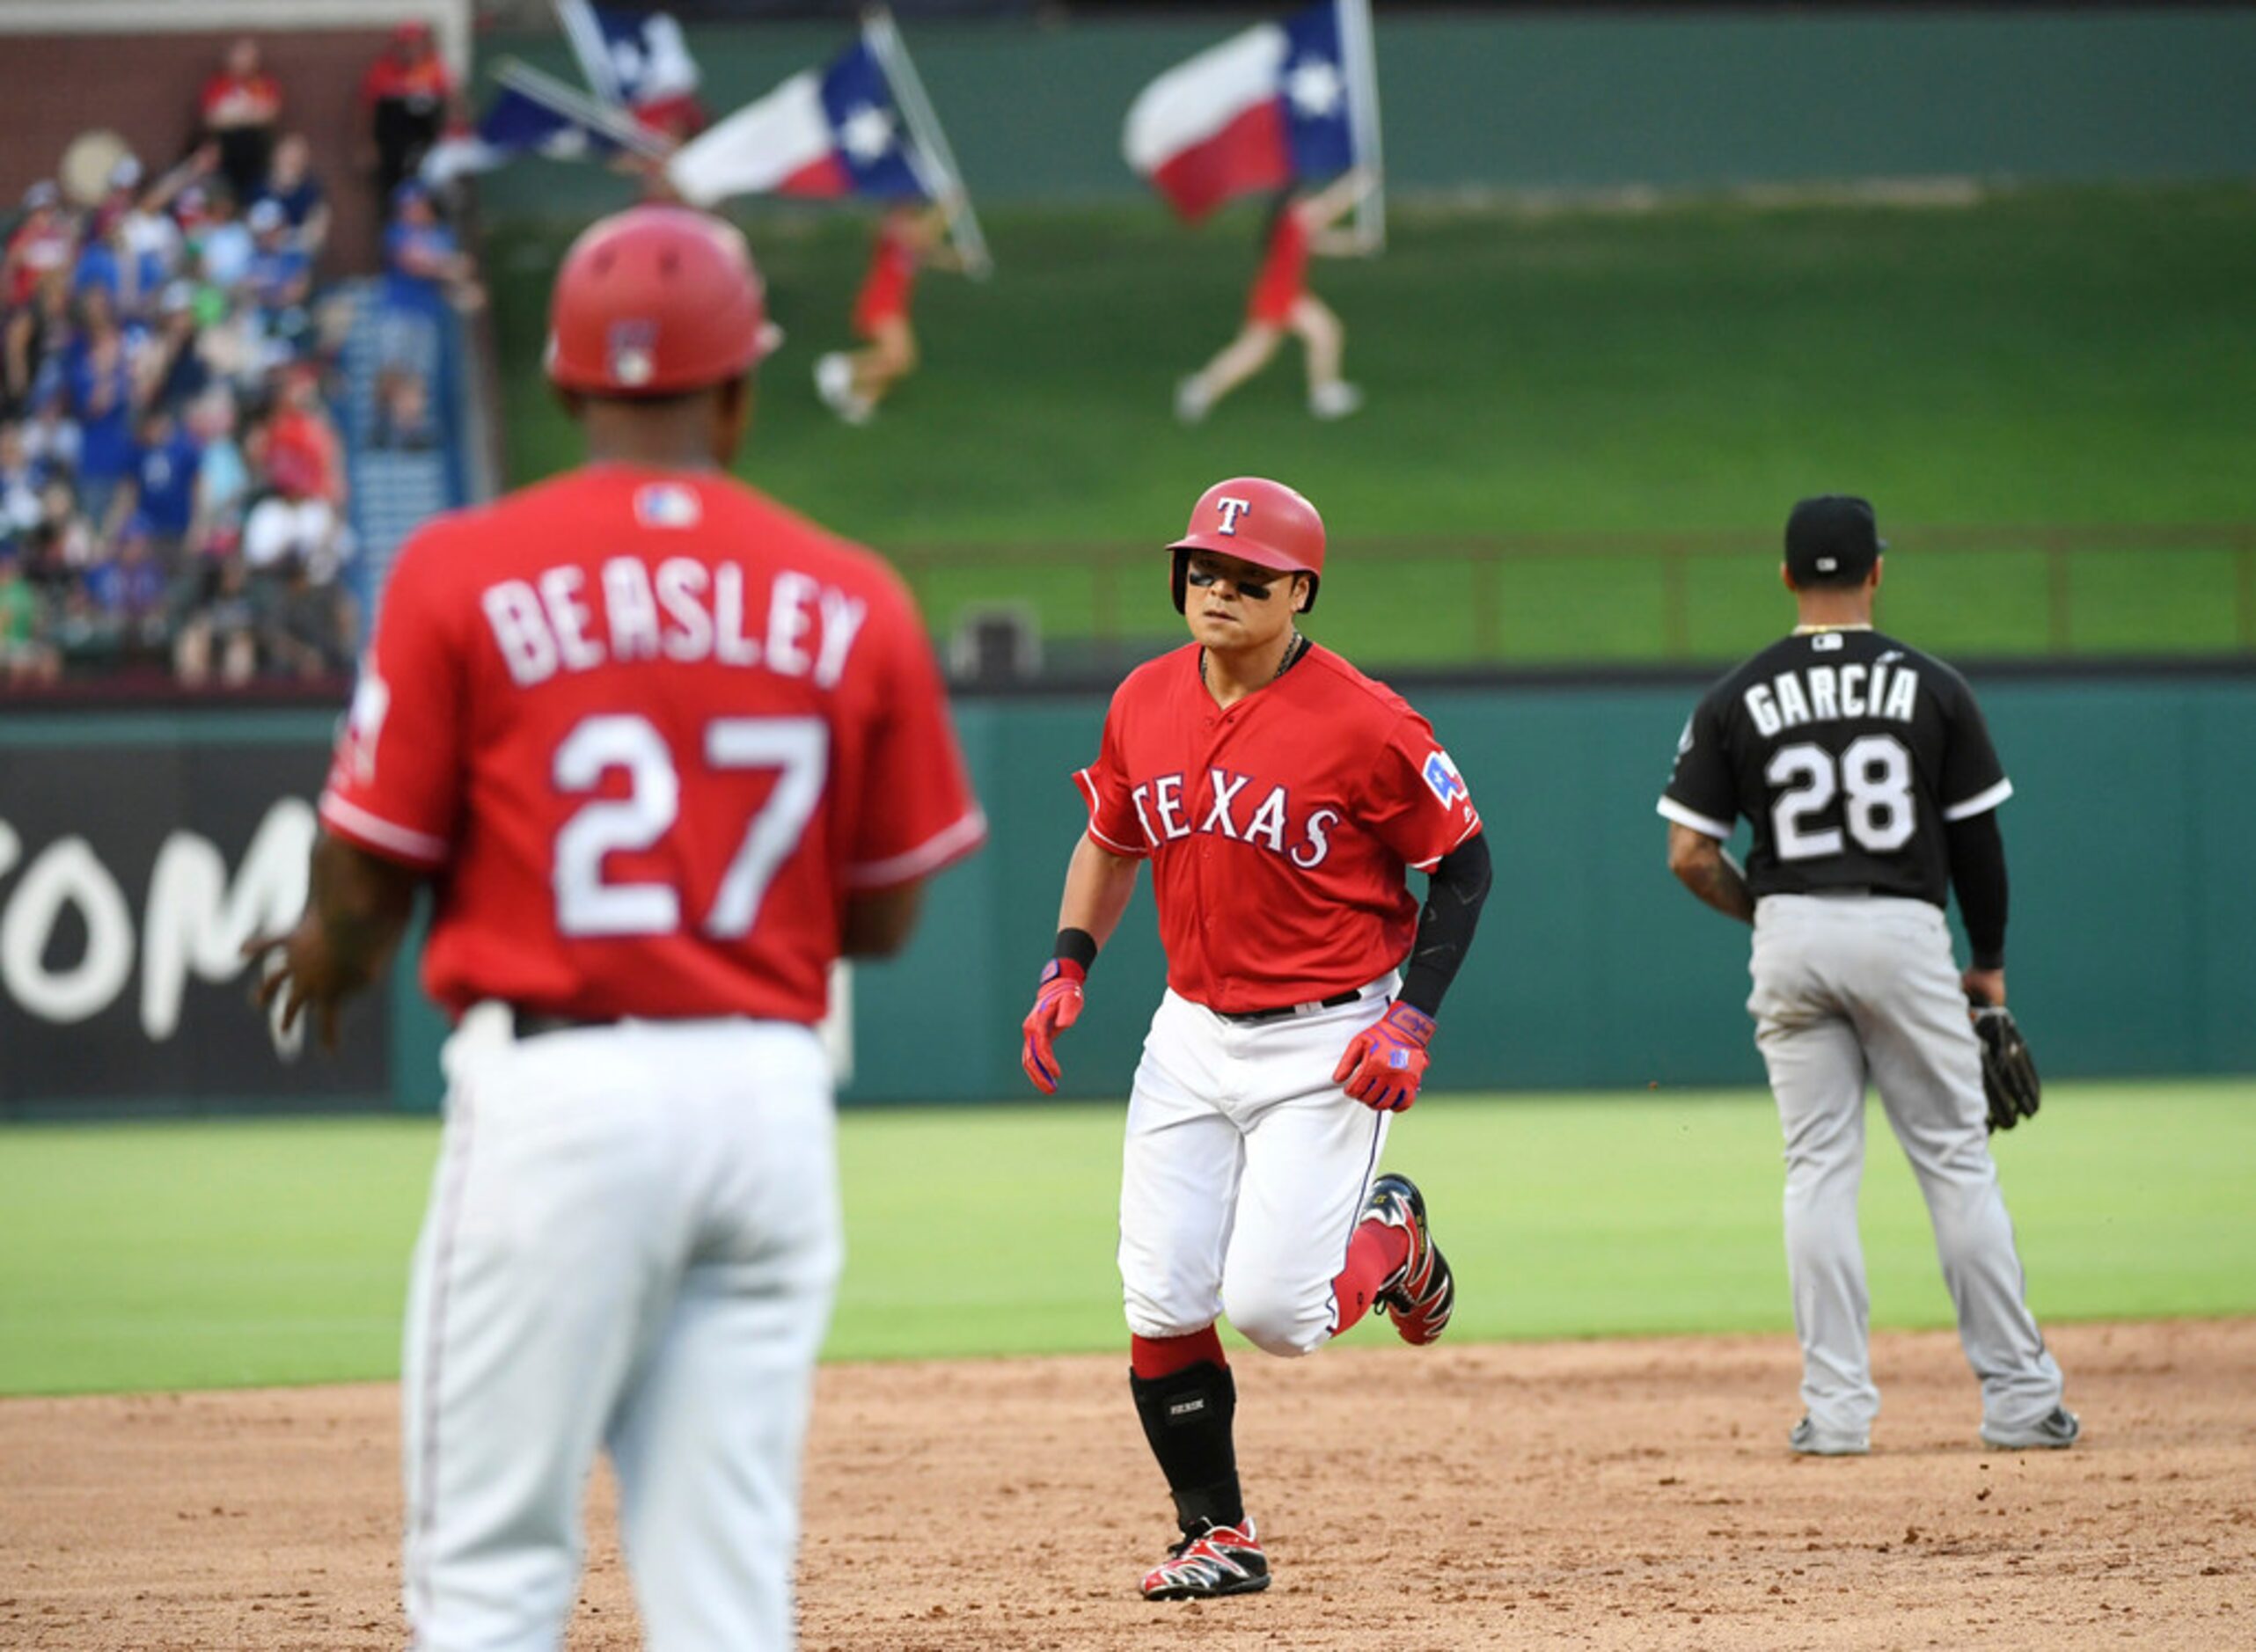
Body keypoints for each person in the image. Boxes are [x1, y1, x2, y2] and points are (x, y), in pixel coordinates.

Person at [245, 203, 985, 1649]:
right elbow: (884, 915)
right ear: (738, 390)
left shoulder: (460, 571)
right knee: (722, 1589)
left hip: (561, 1094)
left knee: (493, 1571)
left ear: (570, 384)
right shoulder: (851, 594)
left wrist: (334, 948)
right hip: (769, 1097)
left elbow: (367, 869)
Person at [1020, 476, 1491, 1599]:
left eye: (1246, 576)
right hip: (1188, 1032)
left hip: (1328, 1041)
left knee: (1278, 1316)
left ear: (1299, 592)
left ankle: (1391, 1236)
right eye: (1200, 568)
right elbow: (1109, 840)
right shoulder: (1142, 698)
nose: (1216, 589)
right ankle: (1213, 1534)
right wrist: (1066, 962)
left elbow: (1464, 863)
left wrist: (1412, 1018)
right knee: (1162, 1296)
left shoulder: (1367, 722)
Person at [1656, 494, 2077, 1456]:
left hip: (1791, 931)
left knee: (1816, 1172)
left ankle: (1836, 1413)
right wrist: (1988, 968)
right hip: (1900, 926)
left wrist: (1768, 914)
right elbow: (1977, 844)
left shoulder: (1735, 694)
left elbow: (1687, 853)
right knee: (1954, 1164)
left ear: (1786, 577)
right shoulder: (1931, 686)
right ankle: (2017, 1402)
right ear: (1875, 573)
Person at [1175, 168, 1375, 425]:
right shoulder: (1294, 218)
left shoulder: (1294, 223)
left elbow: (1322, 243)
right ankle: (1325, 395)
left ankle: (1200, 389)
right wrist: (1358, 184)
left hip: (1283, 293)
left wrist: (1357, 243)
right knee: (1321, 334)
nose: (1308, 199)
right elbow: (1329, 208)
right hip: (1280, 295)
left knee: (1256, 353)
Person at [813, 201, 962, 426]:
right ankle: (843, 372)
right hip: (880, 303)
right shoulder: (892, 227)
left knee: (893, 360)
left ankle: (861, 401)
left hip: (895, 306)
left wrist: (960, 260)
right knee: (900, 360)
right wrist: (947, 208)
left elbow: (929, 252)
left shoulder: (908, 236)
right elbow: (920, 235)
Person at [360, 22, 455, 204]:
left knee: (430, 194)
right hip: (392, 146)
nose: (411, 49)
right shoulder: (383, 70)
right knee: (392, 196)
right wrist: (366, 143)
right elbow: (366, 108)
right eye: (406, 44)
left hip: (427, 144)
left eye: (416, 43)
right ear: (397, 46)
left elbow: (450, 101)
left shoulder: (433, 67)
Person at [199, 37, 285, 203]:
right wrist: (250, 113)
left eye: (249, 58)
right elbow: (211, 119)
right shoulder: (218, 85)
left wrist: (232, 115)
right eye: (240, 56)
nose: (244, 62)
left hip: (257, 155)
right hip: (225, 156)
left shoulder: (264, 84)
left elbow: (269, 114)